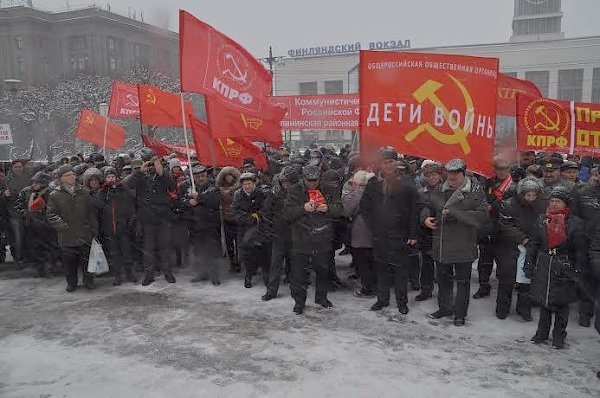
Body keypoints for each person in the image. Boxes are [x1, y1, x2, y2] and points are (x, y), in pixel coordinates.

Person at [422, 159, 488, 326]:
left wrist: (454, 214)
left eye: (455, 173)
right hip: (442, 243)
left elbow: (481, 216)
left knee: (463, 282)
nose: (451, 177)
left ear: (463, 173)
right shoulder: (439, 188)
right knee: (443, 279)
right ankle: (444, 307)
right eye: (449, 173)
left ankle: (460, 314)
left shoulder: (475, 191)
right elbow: (426, 206)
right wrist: (425, 218)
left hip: (463, 244)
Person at [525, 187, 587, 349]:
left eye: (557, 201)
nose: (553, 204)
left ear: (566, 204)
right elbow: (534, 244)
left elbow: (580, 249)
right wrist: (529, 264)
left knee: (561, 303)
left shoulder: (575, 223)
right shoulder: (541, 220)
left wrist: (578, 269)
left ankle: (559, 335)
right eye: (551, 201)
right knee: (545, 301)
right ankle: (542, 333)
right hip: (545, 263)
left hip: (564, 265)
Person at [361, 148, 419, 315]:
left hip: (401, 234)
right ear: (380, 164)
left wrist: (413, 233)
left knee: (401, 270)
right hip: (381, 234)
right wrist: (373, 227)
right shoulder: (373, 183)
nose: (388, 165)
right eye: (385, 162)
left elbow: (415, 209)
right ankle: (382, 299)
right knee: (381, 269)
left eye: (391, 162)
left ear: (396, 163)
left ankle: (402, 302)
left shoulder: (407, 182)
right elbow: (365, 207)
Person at [284, 164, 342, 314]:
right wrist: (303, 208)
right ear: (303, 179)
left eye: (315, 180)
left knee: (323, 270)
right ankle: (299, 302)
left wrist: (327, 208)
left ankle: (321, 297)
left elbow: (340, 209)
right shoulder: (295, 191)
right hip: (301, 237)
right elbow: (287, 213)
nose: (312, 183)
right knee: (299, 274)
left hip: (322, 237)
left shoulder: (329, 189)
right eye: (309, 180)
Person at [124, 150, 176, 286]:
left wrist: (162, 172)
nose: (153, 164)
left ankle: (167, 272)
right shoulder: (141, 176)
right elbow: (127, 185)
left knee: (165, 247)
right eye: (151, 161)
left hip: (163, 217)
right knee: (148, 249)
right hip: (147, 219)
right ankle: (149, 274)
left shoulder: (163, 175)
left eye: (155, 161)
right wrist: (140, 172)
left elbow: (172, 187)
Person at [497, 178, 546, 321]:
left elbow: (542, 224)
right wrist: (521, 238)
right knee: (506, 278)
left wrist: (534, 240)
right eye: (527, 195)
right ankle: (502, 308)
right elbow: (504, 224)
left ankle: (524, 308)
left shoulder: (541, 206)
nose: (530, 199)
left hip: (531, 246)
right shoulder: (509, 204)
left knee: (527, 279)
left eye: (533, 195)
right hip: (510, 246)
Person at [46, 165, 98, 292]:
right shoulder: (54, 195)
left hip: (84, 232)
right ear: (61, 179)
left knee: (86, 260)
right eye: (67, 175)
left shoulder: (84, 192)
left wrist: (93, 230)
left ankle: (88, 281)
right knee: (69, 262)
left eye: (72, 174)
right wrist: (61, 226)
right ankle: (71, 282)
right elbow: (51, 214)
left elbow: (91, 213)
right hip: (66, 234)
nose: (71, 177)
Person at [474, 156, 517, 300]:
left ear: (509, 169)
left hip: (504, 229)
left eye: (504, 169)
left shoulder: (514, 186)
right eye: (498, 169)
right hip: (486, 227)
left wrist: (496, 206)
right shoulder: (488, 182)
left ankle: (503, 291)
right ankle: (483, 286)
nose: (501, 172)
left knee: (503, 263)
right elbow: (480, 198)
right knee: (484, 260)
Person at [94, 167, 137, 285]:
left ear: (116, 178)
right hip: (109, 229)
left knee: (127, 252)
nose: (111, 179)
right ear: (105, 179)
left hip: (123, 227)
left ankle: (129, 273)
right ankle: (118, 276)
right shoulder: (102, 192)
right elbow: (98, 209)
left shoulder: (124, 190)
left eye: (113, 176)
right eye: (109, 177)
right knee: (114, 254)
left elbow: (131, 206)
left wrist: (130, 221)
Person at [571, 166, 600, 327]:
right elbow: (575, 217)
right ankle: (585, 313)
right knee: (586, 278)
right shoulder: (584, 192)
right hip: (587, 243)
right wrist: (580, 238)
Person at [185, 165, 222, 285]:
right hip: (195, 225)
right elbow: (182, 201)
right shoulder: (190, 188)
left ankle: (214, 275)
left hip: (210, 225)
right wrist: (188, 202)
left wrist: (199, 198)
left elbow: (214, 200)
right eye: (198, 176)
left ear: (206, 176)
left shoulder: (213, 187)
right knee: (199, 252)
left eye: (202, 176)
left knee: (211, 251)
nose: (200, 178)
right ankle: (202, 273)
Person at [233, 172, 270, 288]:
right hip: (244, 229)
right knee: (247, 254)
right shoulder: (238, 195)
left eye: (249, 184)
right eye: (245, 184)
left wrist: (257, 216)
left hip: (260, 228)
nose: (247, 186)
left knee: (263, 253)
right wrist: (246, 218)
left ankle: (266, 276)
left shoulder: (262, 194)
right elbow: (235, 211)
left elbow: (266, 209)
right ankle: (248, 275)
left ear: (255, 183)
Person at [343, 170, 376, 298]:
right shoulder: (376, 191)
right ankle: (375, 285)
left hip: (361, 230)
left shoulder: (357, 193)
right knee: (372, 260)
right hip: (374, 229)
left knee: (362, 261)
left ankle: (367, 289)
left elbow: (346, 211)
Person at [415, 160, 444, 301]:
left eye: (434, 175)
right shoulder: (421, 192)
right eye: (428, 175)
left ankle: (444, 294)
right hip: (426, 234)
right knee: (426, 264)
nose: (432, 178)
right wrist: (424, 219)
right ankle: (426, 290)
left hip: (443, 233)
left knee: (443, 266)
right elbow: (419, 209)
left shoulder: (447, 190)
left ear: (439, 175)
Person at [17, 172, 54, 277]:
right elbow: (19, 206)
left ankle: (50, 267)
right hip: (31, 224)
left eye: (38, 182)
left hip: (46, 225)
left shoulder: (50, 193)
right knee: (35, 247)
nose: (34, 184)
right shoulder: (26, 191)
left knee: (49, 247)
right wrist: (25, 213)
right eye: (34, 182)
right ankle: (39, 268)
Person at [216, 166, 242, 273]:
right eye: (226, 176)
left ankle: (239, 263)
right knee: (229, 243)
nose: (228, 178)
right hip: (226, 218)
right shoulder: (220, 189)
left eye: (230, 176)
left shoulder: (239, 189)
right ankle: (231, 263)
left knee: (238, 243)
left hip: (236, 219)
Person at [5, 160, 31, 264]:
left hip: (26, 211)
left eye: (20, 167)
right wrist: (4, 195)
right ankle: (18, 257)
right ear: (12, 168)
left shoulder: (27, 178)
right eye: (16, 167)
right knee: (17, 236)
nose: (18, 169)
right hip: (13, 212)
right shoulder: (7, 180)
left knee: (27, 235)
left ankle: (27, 255)